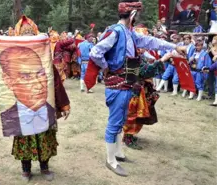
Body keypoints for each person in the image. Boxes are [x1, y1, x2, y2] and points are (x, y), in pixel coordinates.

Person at [88, 0, 185, 177]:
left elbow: (151, 41)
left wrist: (173, 46)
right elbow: (95, 52)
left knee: (121, 120)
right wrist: (105, 66)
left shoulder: (130, 33)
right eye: (137, 15)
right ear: (132, 15)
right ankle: (111, 161)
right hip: (117, 86)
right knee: (114, 123)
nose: (137, 17)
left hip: (126, 85)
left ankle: (117, 153)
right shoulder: (116, 32)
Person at [9, 15, 70, 182]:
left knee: (45, 136)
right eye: (24, 39)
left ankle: (44, 167)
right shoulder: (12, 62)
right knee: (24, 137)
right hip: (23, 108)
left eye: (31, 39)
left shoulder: (45, 62)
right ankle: (26, 169)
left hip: (43, 107)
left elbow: (56, 83)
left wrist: (63, 105)